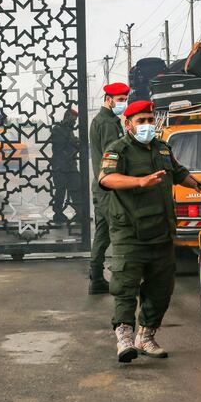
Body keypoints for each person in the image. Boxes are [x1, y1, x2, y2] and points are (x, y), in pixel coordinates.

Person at [98, 100, 201, 363]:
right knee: (125, 287)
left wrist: (199, 184)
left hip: (162, 232)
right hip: (130, 233)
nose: (147, 125)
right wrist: (139, 181)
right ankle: (125, 339)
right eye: (141, 121)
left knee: (161, 289)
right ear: (127, 124)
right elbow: (106, 179)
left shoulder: (162, 148)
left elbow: (177, 172)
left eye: (150, 120)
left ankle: (146, 336)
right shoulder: (119, 150)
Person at [88, 82, 129, 295]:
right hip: (110, 186)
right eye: (120, 100)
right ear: (108, 99)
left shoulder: (105, 120)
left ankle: (96, 279)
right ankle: (121, 282)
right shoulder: (107, 124)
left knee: (103, 233)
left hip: (101, 186)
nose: (123, 103)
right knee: (120, 232)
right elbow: (113, 155)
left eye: (124, 100)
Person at [50, 108, 81, 225]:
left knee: (76, 187)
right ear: (67, 117)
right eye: (73, 119)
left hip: (71, 166)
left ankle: (80, 212)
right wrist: (75, 145)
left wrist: (75, 143)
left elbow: (71, 143)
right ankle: (58, 213)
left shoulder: (69, 130)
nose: (74, 122)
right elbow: (59, 148)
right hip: (60, 166)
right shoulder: (58, 130)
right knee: (60, 191)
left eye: (75, 120)